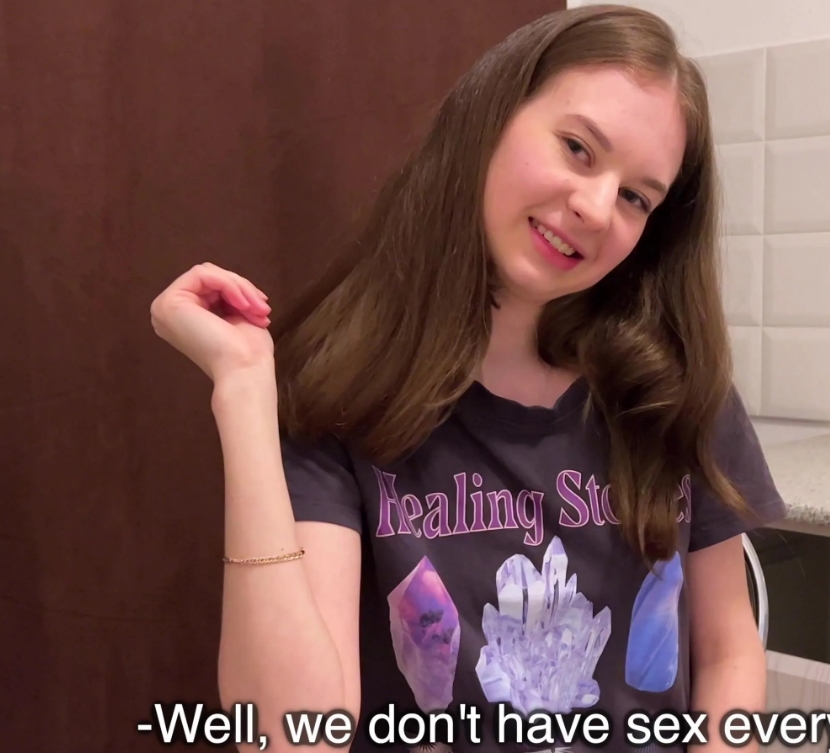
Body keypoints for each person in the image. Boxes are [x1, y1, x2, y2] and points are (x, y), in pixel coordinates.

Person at [149, 5, 786, 752]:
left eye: (635, 197)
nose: (594, 208)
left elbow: (728, 652)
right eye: (577, 148)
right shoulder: (343, 398)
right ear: (490, 116)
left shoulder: (672, 391)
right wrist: (244, 393)